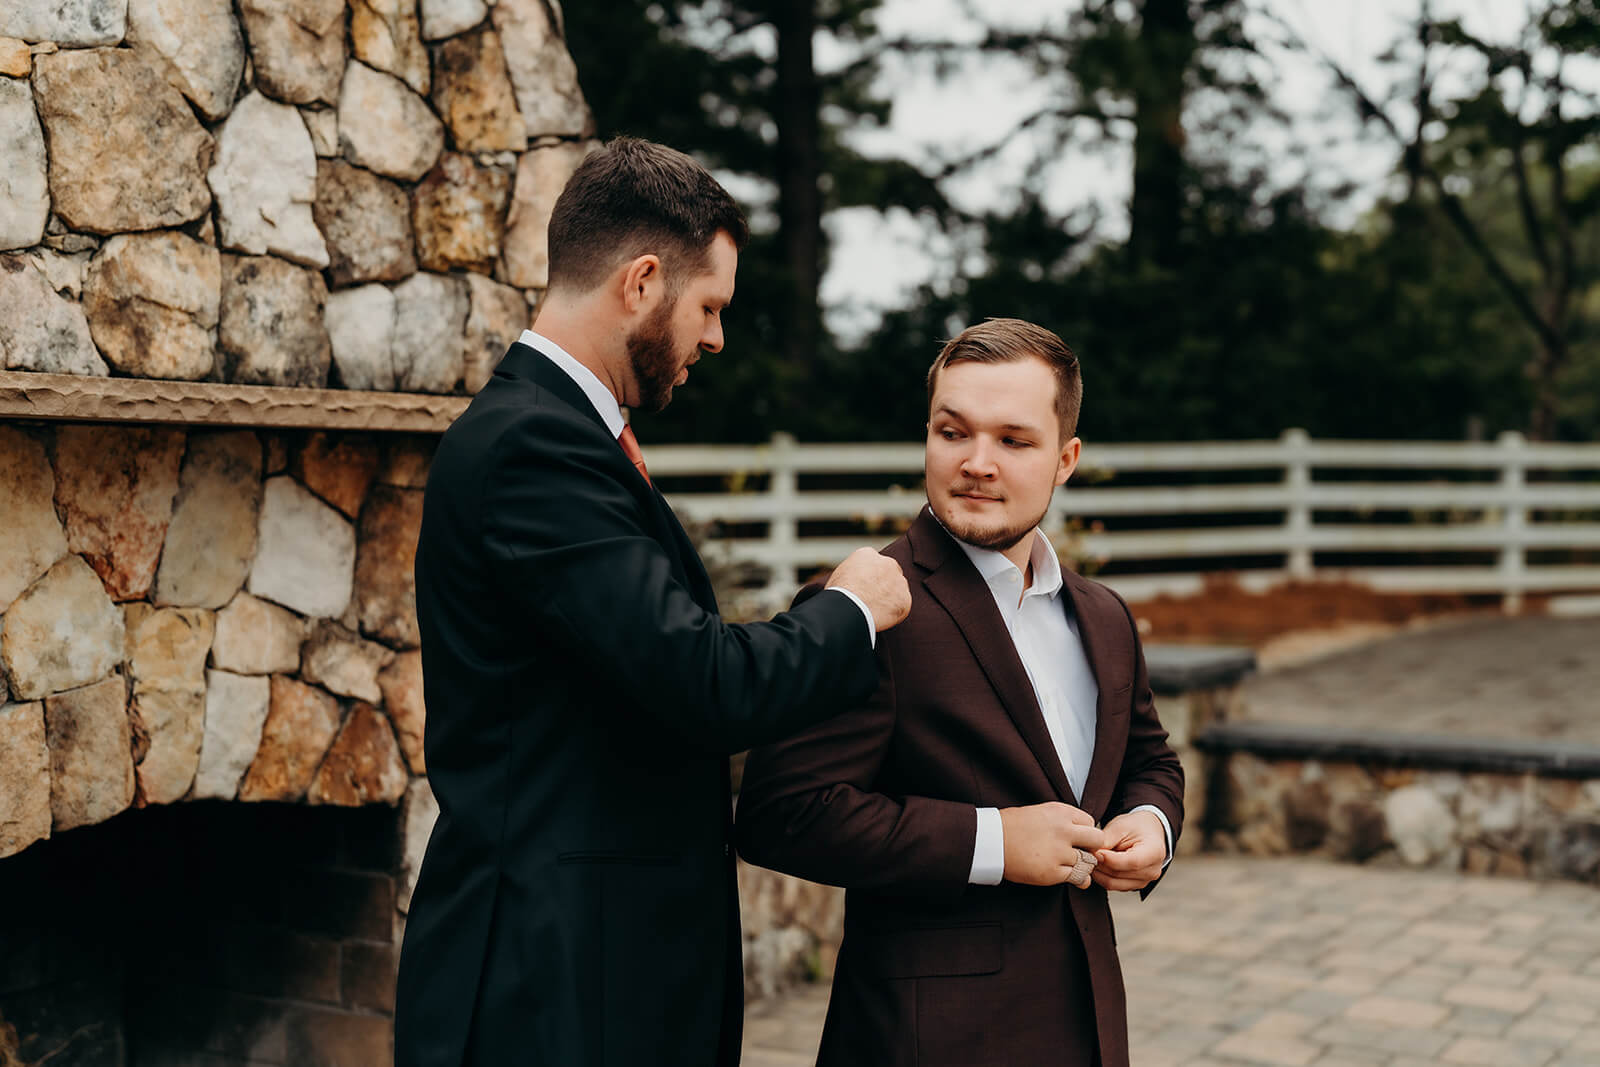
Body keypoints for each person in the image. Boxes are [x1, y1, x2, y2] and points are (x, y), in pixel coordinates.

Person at [394, 137, 911, 1067]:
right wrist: (853, 608)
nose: (715, 337)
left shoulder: (560, 436)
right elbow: (700, 678)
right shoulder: (532, 449)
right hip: (553, 989)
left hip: (588, 974)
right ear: (641, 281)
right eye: (709, 306)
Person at [735, 318, 1184, 1067]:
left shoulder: (1104, 615)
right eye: (954, 432)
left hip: (1088, 1029)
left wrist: (1152, 824)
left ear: (1065, 458)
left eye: (1014, 440)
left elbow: (1151, 758)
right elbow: (781, 815)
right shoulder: (866, 604)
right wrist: (995, 842)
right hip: (922, 1039)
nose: (978, 462)